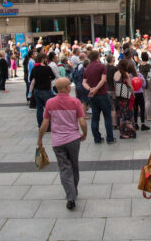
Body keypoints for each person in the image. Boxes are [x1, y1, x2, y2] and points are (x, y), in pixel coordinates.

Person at [37, 77, 87, 210]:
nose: (70, 87)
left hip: (57, 141)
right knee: (74, 165)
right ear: (66, 88)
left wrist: (40, 139)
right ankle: (73, 192)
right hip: (73, 139)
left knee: (64, 168)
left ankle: (70, 195)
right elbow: (82, 122)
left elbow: (45, 123)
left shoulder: (50, 103)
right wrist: (85, 134)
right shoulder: (75, 102)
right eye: (69, 86)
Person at [83, 51, 115, 144]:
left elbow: (84, 82)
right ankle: (110, 138)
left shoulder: (87, 68)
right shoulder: (102, 66)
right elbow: (103, 79)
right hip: (103, 94)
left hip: (93, 96)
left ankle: (97, 138)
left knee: (95, 117)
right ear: (97, 57)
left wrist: (90, 89)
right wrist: (96, 88)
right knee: (107, 117)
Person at [29, 53, 56, 128]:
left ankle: (40, 125)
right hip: (46, 90)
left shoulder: (34, 68)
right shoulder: (47, 68)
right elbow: (53, 77)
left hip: (37, 90)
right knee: (48, 108)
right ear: (43, 59)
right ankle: (48, 125)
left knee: (39, 109)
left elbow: (31, 78)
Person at [113, 59, 137, 139]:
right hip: (126, 97)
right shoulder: (125, 74)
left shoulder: (116, 73)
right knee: (128, 114)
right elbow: (130, 86)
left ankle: (122, 131)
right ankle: (129, 131)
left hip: (118, 96)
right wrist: (133, 94)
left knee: (121, 114)